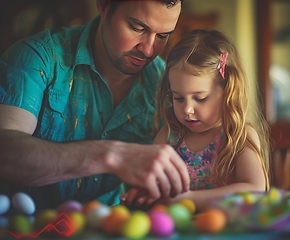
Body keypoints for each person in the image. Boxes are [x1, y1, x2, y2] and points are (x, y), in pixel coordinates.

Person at [0, 0, 190, 209]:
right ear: (104, 5)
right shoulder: (37, 57)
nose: (147, 50)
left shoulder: (168, 87)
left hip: (109, 227)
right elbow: (5, 152)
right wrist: (111, 155)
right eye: (137, 28)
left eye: (162, 36)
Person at [120, 28, 271, 211]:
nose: (187, 109)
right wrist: (144, 193)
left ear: (228, 92)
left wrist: (189, 198)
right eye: (178, 98)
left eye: (200, 98)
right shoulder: (168, 136)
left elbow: (255, 190)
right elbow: (153, 181)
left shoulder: (239, 136)